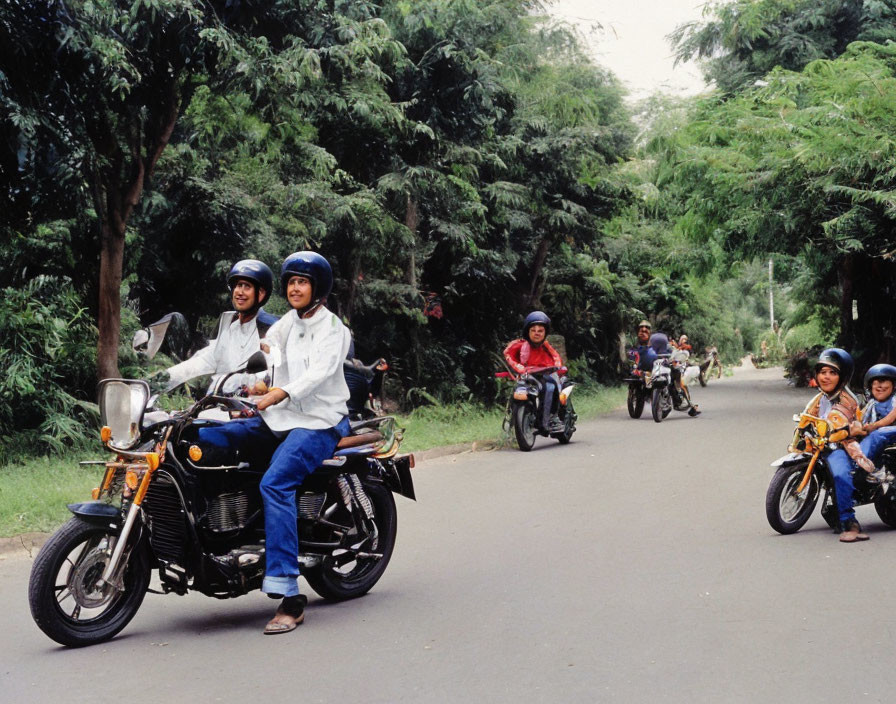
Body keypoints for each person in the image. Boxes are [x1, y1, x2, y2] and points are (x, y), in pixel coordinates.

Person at [194, 251, 352, 632]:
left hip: (319, 422)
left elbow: (318, 374)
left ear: (318, 288)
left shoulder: (335, 330)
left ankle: (290, 595)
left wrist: (279, 392)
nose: (295, 288)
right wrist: (246, 380)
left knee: (276, 483)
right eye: (291, 282)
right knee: (204, 438)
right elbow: (266, 350)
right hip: (278, 417)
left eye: (302, 282)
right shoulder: (287, 322)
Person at [164, 259, 278, 394]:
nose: (239, 292)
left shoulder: (271, 328)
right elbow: (207, 358)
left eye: (246, 286)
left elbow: (275, 371)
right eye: (236, 286)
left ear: (261, 294)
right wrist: (158, 382)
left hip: (254, 406)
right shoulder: (230, 323)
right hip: (218, 403)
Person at [800, 348, 876, 542]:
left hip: (842, 444)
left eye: (832, 373)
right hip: (821, 443)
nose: (826, 377)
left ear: (841, 377)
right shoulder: (820, 397)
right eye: (822, 372)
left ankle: (850, 522)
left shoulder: (847, 400)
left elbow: (839, 428)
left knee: (841, 474)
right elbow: (807, 417)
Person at [503, 311, 565, 433]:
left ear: (545, 333)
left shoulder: (546, 346)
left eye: (540, 331)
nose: (537, 333)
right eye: (533, 330)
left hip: (545, 374)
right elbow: (507, 354)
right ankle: (510, 421)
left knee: (552, 387)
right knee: (516, 391)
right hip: (526, 376)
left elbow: (556, 357)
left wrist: (557, 366)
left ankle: (553, 417)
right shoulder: (519, 345)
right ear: (528, 331)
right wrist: (519, 367)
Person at [855, 363, 896, 473]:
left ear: (894, 385)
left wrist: (874, 426)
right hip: (885, 437)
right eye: (875, 382)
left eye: (883, 381)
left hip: (889, 431)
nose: (879, 386)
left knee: (878, 433)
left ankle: (859, 463)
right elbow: (860, 418)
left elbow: (891, 418)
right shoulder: (871, 404)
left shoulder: (894, 400)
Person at [650, 332, 700, 417]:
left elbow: (680, 358)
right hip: (658, 371)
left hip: (672, 370)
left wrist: (676, 362)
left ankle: (690, 405)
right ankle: (689, 406)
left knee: (680, 383)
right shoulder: (651, 349)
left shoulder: (676, 349)